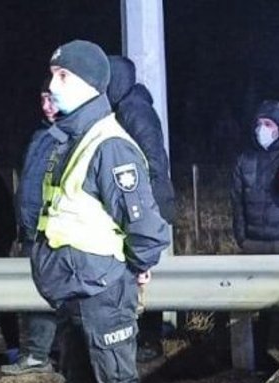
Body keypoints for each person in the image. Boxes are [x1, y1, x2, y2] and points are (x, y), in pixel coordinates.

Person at [28, 40, 172, 383]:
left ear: (89, 84)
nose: (52, 85)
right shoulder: (69, 140)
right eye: (53, 74)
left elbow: (147, 230)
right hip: (74, 296)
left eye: (62, 76)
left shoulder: (110, 145)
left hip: (101, 295)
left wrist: (134, 271)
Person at [106, 54, 175, 363]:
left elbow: (152, 160)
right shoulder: (127, 108)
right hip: (146, 202)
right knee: (138, 270)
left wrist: (149, 204)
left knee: (143, 268)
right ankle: (143, 336)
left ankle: (150, 338)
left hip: (148, 203)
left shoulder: (134, 111)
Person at [0, 87, 61, 377]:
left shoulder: (71, 135)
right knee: (40, 295)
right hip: (33, 229)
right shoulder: (41, 135)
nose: (46, 105)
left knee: (46, 295)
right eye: (43, 99)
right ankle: (43, 352)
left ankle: (40, 354)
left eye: (52, 99)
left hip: (54, 232)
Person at [231, 100, 279, 253]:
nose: (261, 129)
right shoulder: (244, 160)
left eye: (268, 124)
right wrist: (241, 237)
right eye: (258, 124)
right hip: (252, 243)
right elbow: (237, 201)